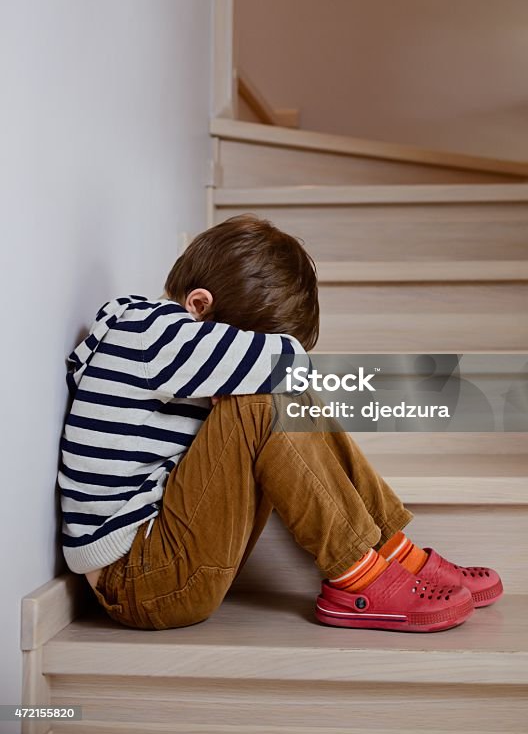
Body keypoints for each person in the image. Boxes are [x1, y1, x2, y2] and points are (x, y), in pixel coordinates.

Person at [58, 215, 502, 633]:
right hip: (142, 580)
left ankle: (392, 552)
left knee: (281, 398)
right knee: (263, 399)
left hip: (166, 562)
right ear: (199, 307)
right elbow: (291, 362)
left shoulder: (163, 343)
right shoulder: (152, 331)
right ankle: (356, 577)